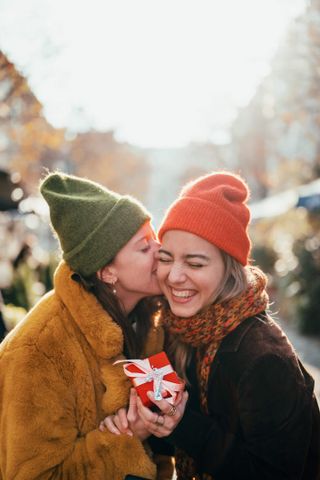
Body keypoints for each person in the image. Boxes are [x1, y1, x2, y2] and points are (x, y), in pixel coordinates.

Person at [104, 171, 320, 480]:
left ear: (228, 269)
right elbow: (186, 438)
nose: (174, 276)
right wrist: (141, 427)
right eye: (166, 258)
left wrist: (183, 426)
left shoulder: (263, 358)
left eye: (194, 263)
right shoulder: (182, 330)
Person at [0, 172, 170, 480]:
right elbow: (32, 474)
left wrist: (168, 416)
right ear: (107, 272)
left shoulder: (150, 323)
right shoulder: (39, 349)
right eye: (144, 247)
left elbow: (161, 423)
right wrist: (127, 438)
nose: (161, 250)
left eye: (155, 237)